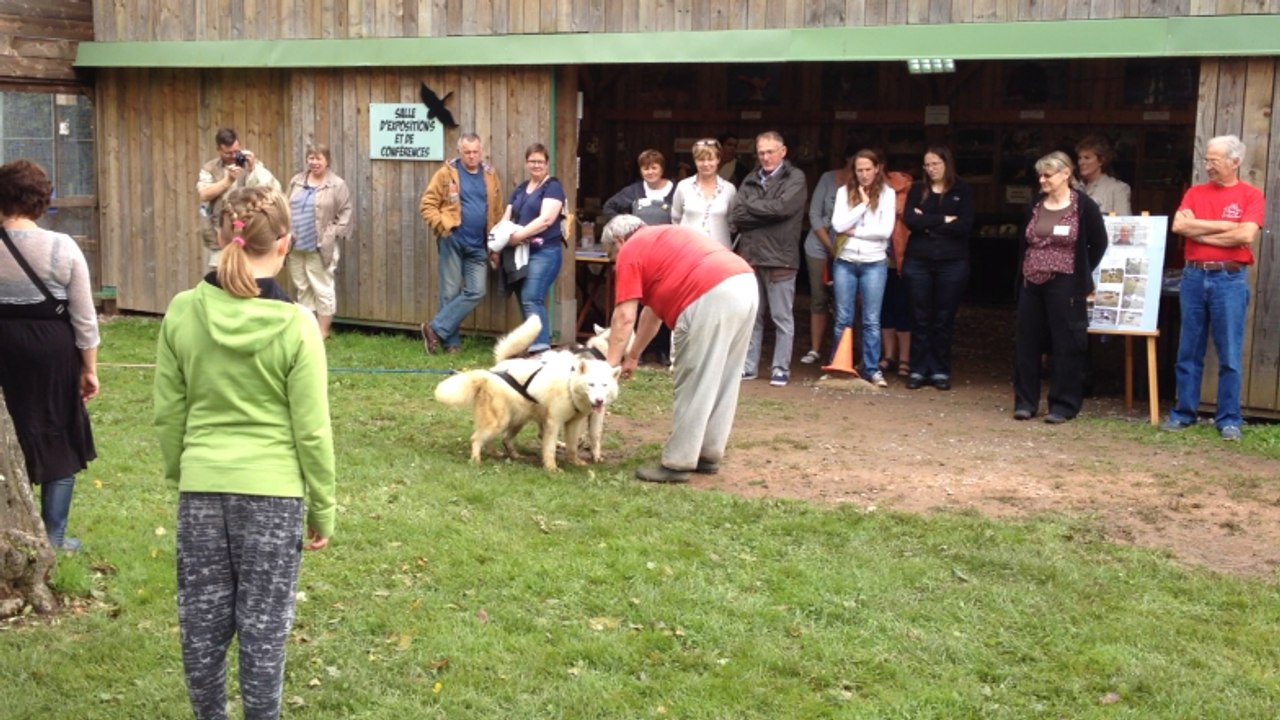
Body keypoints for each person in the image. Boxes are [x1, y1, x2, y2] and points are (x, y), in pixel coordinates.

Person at [155, 186, 335, 720]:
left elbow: (170, 413)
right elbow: (313, 430)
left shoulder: (183, 312)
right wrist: (322, 506)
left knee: (202, 629)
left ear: (219, 236)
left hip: (202, 488)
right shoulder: (299, 324)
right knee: (264, 631)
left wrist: (183, 471)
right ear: (284, 244)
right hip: (275, 497)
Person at [600, 215, 758, 484]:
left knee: (693, 379)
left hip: (708, 292)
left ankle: (678, 462)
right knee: (724, 377)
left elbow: (624, 317)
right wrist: (634, 355)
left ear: (619, 241)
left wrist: (607, 368)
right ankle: (708, 453)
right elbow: (652, 314)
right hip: (744, 283)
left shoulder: (630, 250)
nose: (616, 263)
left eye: (612, 256)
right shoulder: (663, 237)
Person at [0, 159, 98, 552]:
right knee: (59, 435)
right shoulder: (63, 247)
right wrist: (89, 369)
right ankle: (53, 539)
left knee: (10, 434)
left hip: (4, 349)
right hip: (52, 351)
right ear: (41, 201)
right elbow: (84, 318)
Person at [1161, 134, 1264, 441]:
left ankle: (1229, 418)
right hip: (1193, 276)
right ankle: (1184, 413)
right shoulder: (1194, 192)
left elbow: (1245, 236)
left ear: (1235, 162)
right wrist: (1223, 227)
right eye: (1206, 159)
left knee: (1229, 352)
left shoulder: (1251, 195)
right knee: (1188, 347)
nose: (1207, 165)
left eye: (1213, 160)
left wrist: (1200, 231)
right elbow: (1179, 227)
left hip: (1229, 279)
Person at [1013, 151, 1108, 424]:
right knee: (1027, 343)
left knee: (1066, 343)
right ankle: (1025, 402)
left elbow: (1099, 243)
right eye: (1040, 175)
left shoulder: (1084, 206)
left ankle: (1063, 405)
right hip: (1032, 281)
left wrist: (1079, 272)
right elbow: (1025, 241)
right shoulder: (1035, 204)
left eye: (1048, 175)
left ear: (1066, 174)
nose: (1042, 180)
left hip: (1065, 282)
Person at [729, 131, 807, 387]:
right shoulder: (751, 179)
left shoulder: (795, 178)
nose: (765, 157)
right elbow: (737, 215)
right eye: (761, 152)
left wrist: (754, 208)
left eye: (770, 151)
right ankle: (749, 367)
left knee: (782, 317)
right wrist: (767, 211)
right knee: (753, 316)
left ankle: (780, 368)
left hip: (781, 259)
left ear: (783, 151)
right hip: (751, 257)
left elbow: (784, 209)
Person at [418, 133, 505, 354]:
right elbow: (427, 204)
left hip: (479, 245)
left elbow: (497, 210)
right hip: (453, 239)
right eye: (467, 152)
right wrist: (442, 226)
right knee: (449, 292)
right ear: (459, 152)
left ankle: (434, 329)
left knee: (476, 291)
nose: (471, 156)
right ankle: (451, 344)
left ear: (481, 150)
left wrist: (495, 242)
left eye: (475, 152)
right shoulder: (446, 173)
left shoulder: (490, 175)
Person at [902, 147, 975, 391]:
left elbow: (965, 225)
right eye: (927, 165)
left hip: (952, 262)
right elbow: (911, 220)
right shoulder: (916, 190)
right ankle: (918, 369)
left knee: (944, 318)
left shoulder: (962, 190)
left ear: (947, 163)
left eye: (935, 164)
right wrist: (944, 219)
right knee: (920, 316)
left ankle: (940, 370)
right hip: (919, 260)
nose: (931, 169)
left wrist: (928, 221)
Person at [830, 149, 896, 387]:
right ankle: (839, 365)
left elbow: (885, 231)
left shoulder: (888, 194)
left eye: (869, 169)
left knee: (871, 319)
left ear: (877, 168)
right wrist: (863, 205)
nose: (865, 174)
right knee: (843, 317)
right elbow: (837, 224)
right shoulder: (843, 192)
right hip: (846, 260)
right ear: (854, 171)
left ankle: (871, 368)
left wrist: (856, 231)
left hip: (874, 262)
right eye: (860, 170)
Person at [500, 143, 566, 353]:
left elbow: (546, 220)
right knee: (524, 298)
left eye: (540, 161)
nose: (536, 165)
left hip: (545, 251)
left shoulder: (553, 187)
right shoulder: (520, 189)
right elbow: (507, 217)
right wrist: (498, 241)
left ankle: (541, 349)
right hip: (521, 253)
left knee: (531, 297)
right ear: (526, 163)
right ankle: (534, 344)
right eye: (532, 161)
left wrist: (518, 236)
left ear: (547, 164)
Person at [285, 143, 352, 339]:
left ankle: (323, 332)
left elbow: (346, 212)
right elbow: (286, 203)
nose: (314, 162)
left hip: (320, 247)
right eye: (311, 158)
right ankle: (308, 329)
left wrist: (331, 233)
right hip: (296, 246)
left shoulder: (336, 184)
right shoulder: (297, 181)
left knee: (322, 288)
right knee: (302, 287)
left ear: (327, 161)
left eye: (318, 158)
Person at [798, 147, 853, 365]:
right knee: (819, 297)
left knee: (846, 299)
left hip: (849, 248)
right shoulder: (828, 179)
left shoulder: (865, 184)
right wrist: (831, 247)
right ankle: (815, 349)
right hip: (820, 245)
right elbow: (814, 214)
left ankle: (843, 350)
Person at [197, 127, 281, 268]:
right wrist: (228, 180)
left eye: (236, 151)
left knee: (247, 275)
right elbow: (204, 194)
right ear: (219, 149)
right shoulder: (210, 168)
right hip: (220, 232)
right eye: (228, 153)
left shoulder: (251, 164)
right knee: (220, 274)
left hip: (249, 230)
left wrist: (254, 166)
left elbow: (270, 188)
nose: (233, 155)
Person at [671, 138, 737, 248]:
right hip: (688, 250)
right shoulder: (683, 186)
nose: (706, 164)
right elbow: (676, 218)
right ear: (695, 161)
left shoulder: (729, 189)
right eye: (701, 160)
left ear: (718, 160)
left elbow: (733, 222)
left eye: (711, 159)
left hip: (720, 250)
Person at [603, 148, 676, 226]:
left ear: (662, 169)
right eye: (646, 169)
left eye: (654, 168)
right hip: (641, 236)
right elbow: (608, 207)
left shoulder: (677, 190)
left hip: (668, 236)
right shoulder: (634, 191)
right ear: (640, 171)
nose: (650, 172)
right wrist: (625, 225)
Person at [1075, 135, 1132, 215]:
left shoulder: (1118, 189)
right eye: (1080, 158)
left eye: (1087, 158)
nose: (1081, 162)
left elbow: (1123, 222)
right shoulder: (1075, 188)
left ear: (1101, 161)